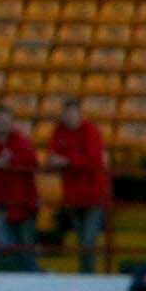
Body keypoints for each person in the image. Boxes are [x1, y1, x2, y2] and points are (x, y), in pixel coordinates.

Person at [45, 96, 110, 272]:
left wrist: (66, 161)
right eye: (66, 113)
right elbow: (52, 157)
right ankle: (86, 273)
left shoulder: (91, 131)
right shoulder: (59, 131)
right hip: (72, 195)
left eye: (72, 113)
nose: (69, 116)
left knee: (88, 241)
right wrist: (63, 161)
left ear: (79, 113)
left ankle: (86, 275)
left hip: (93, 194)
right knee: (82, 240)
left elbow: (93, 160)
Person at [0, 106, 39, 270]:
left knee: (25, 250)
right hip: (1, 203)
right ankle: (11, 285)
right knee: (5, 249)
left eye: (6, 121)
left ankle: (31, 282)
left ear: (11, 123)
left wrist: (7, 162)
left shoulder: (20, 141)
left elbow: (31, 160)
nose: (2, 125)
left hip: (23, 204)